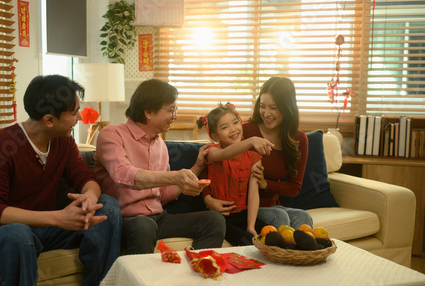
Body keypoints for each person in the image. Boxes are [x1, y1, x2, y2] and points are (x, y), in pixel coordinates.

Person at [0, 75, 121, 286]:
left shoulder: (63, 141)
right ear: (49, 120)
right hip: (3, 235)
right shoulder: (3, 145)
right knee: (18, 235)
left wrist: (89, 195)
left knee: (107, 207)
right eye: (74, 112)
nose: (79, 117)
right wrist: (57, 218)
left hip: (46, 231)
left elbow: (85, 177)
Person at [94, 78, 226, 255]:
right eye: (171, 110)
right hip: (125, 220)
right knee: (144, 226)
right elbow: (122, 173)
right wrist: (175, 176)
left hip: (158, 218)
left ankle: (193, 270)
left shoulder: (160, 144)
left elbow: (162, 195)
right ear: (148, 112)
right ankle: (137, 282)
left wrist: (194, 171)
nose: (175, 115)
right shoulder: (111, 134)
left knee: (214, 220)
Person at [205, 77, 313, 243]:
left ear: (287, 108)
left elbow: (294, 187)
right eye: (262, 107)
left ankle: (302, 259)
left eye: (273, 108)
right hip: (244, 208)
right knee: (279, 216)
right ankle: (277, 261)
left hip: (270, 204)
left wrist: (265, 184)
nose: (266, 113)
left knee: (302, 216)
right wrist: (208, 199)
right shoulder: (244, 131)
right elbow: (215, 164)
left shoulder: (299, 139)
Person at [196, 102, 275, 245]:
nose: (233, 129)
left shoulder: (253, 158)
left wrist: (250, 225)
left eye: (235, 122)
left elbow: (253, 193)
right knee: (249, 243)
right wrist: (251, 141)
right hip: (219, 216)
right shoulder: (212, 151)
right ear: (215, 136)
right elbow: (225, 154)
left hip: (243, 214)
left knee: (274, 238)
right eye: (225, 127)